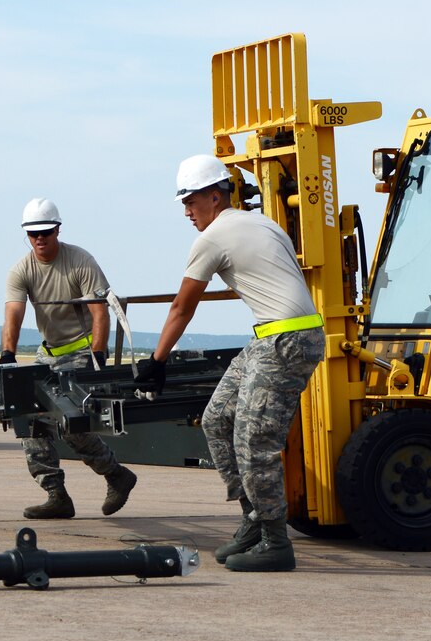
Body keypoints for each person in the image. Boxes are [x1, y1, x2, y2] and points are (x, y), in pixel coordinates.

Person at [134, 154, 325, 572]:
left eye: (191, 201)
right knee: (217, 418)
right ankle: (254, 519)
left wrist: (156, 361)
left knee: (255, 443)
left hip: (286, 340)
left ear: (216, 197)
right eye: (183, 202)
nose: (187, 211)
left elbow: (183, 307)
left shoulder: (213, 237)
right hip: (274, 336)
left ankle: (276, 542)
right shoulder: (263, 222)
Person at [0, 197, 137, 520]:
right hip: (48, 353)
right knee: (29, 419)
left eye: (46, 232)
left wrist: (98, 355)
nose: (40, 239)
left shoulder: (80, 261)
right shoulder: (21, 270)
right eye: (33, 234)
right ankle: (56, 495)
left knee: (71, 421)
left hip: (81, 350)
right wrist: (7, 354)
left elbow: (99, 310)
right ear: (26, 234)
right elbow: (13, 315)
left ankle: (115, 474)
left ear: (57, 229)